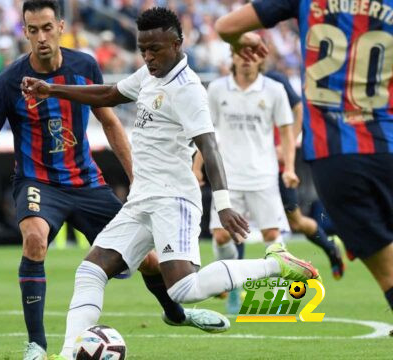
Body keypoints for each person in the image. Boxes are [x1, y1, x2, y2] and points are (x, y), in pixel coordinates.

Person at [21, 7, 320, 359]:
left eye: (155, 50)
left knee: (183, 289)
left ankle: (276, 265)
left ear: (176, 44)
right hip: (142, 198)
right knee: (89, 270)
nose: (148, 57)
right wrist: (52, 90)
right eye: (142, 49)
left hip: (173, 199)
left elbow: (209, 145)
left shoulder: (188, 88)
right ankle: (70, 353)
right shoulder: (151, 74)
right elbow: (110, 94)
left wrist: (223, 204)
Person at [0, 2, 228, 359]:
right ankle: (36, 345)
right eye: (32, 30)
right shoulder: (8, 82)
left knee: (152, 262)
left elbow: (110, 123)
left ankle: (177, 313)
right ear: (24, 32)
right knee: (34, 240)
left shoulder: (84, 65)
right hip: (38, 183)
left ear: (61, 26)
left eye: (47, 27)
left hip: (86, 182)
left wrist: (135, 177)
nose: (41, 37)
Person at [215, 0, 393, 320]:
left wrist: (288, 159)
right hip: (386, 143)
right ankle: (236, 291)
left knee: (386, 273)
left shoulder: (277, 80)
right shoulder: (219, 89)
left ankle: (326, 251)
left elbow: (227, 27)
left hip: (331, 157)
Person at [192, 47, 298, 314]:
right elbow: (206, 132)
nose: (247, 58)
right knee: (219, 237)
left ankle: (279, 299)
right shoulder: (216, 89)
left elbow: (286, 131)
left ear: (261, 58)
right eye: (242, 53)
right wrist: (197, 166)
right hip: (226, 177)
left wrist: (289, 167)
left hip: (263, 175)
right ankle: (232, 287)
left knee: (272, 235)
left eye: (254, 54)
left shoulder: (274, 89)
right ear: (233, 57)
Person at [264, 70, 345, 279]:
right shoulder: (231, 86)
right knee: (235, 226)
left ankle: (330, 248)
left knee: (296, 222)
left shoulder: (274, 79)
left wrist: (288, 142)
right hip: (249, 169)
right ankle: (235, 287)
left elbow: (299, 107)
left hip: (279, 168)